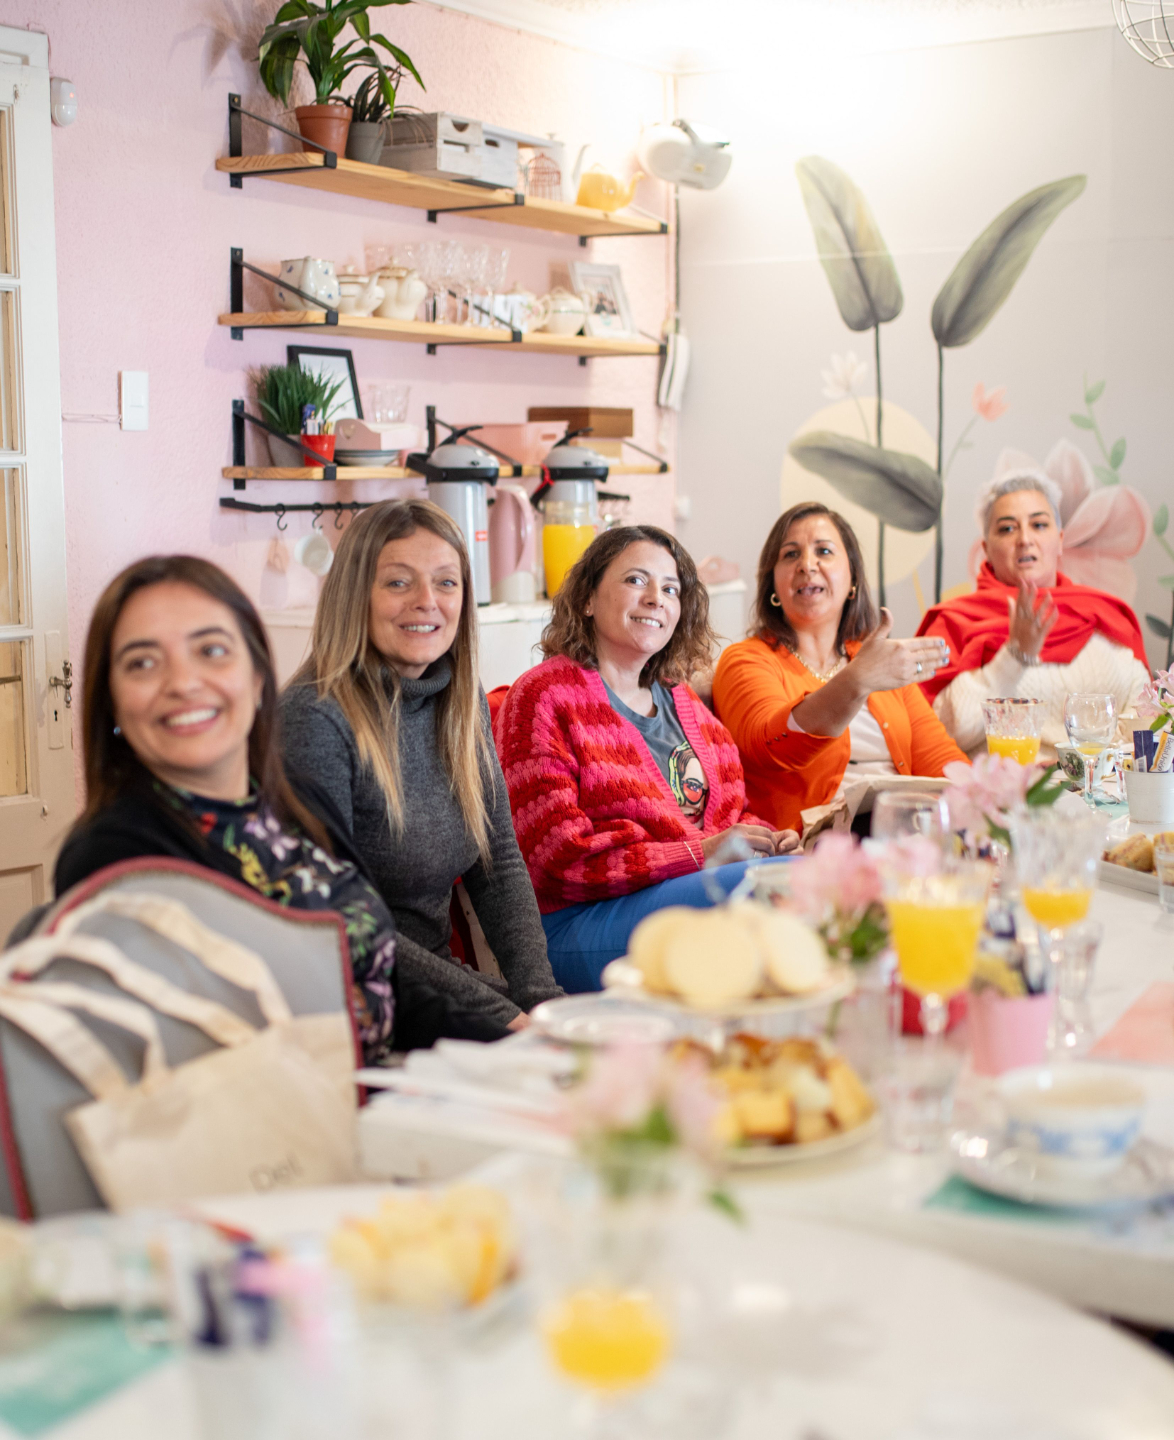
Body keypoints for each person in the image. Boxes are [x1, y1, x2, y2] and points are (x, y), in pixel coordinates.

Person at [55, 555, 509, 1060]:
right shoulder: (112, 857)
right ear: (112, 700)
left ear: (256, 679)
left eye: (211, 650)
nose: (183, 682)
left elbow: (378, 980)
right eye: (142, 662)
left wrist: (521, 1043)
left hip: (387, 1081)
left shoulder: (296, 804)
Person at [281, 499, 561, 1034]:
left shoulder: (457, 697)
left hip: (438, 988)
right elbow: (338, 921)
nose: (427, 602)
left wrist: (542, 1002)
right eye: (398, 582)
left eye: (445, 582)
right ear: (354, 595)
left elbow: (496, 862)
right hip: (356, 1001)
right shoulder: (314, 717)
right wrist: (508, 1020)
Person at [494, 525, 799, 993]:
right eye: (636, 580)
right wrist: (702, 853)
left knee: (808, 879)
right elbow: (552, 858)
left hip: (693, 896)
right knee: (773, 891)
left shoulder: (683, 701)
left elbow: (732, 817)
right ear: (588, 599)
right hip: (576, 924)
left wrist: (766, 840)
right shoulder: (542, 696)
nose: (656, 598)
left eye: (670, 589)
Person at [712, 503, 967, 834]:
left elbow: (943, 763)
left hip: (903, 831)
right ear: (773, 584)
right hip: (812, 844)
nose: (807, 564)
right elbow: (773, 748)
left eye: (824, 551)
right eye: (791, 554)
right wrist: (856, 681)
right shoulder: (745, 660)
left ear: (852, 579)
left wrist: (990, 801)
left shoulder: (877, 661)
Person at [916, 461, 1151, 758]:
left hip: (1102, 783)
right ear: (986, 549)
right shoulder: (954, 622)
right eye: (1007, 529)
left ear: (1060, 540)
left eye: (1039, 525)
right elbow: (941, 736)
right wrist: (1014, 656)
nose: (1025, 540)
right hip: (1001, 785)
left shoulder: (1104, 612)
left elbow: (1143, 717)